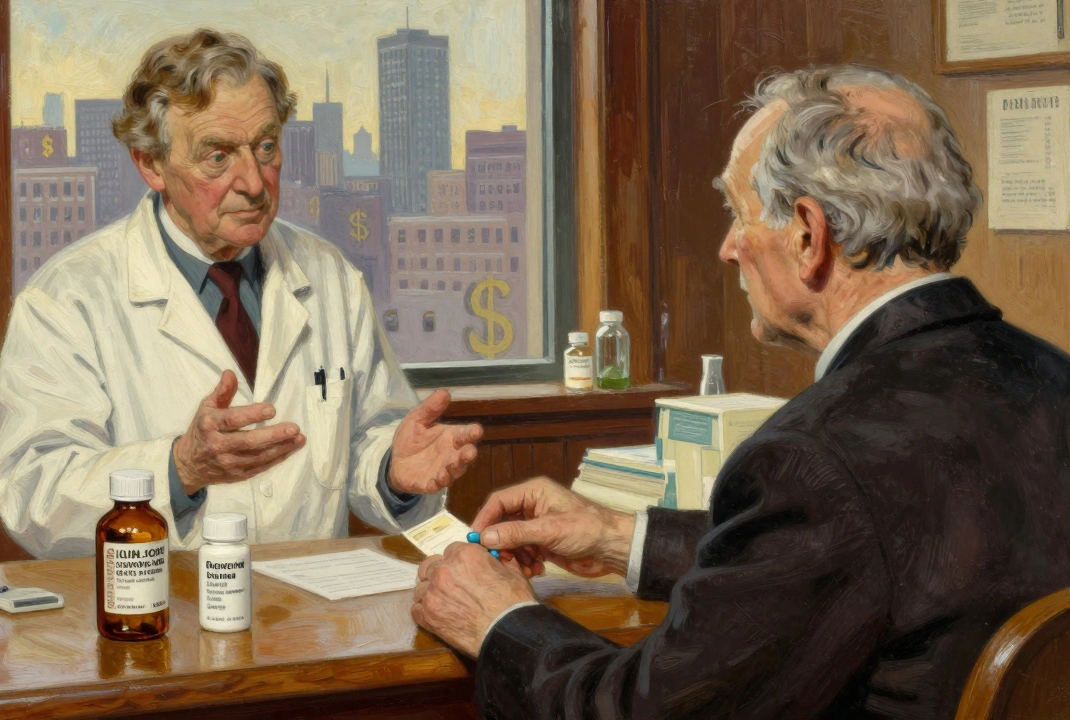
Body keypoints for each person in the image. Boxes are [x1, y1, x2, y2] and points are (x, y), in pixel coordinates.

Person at [411, 65, 1070, 718]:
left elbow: (645, 713)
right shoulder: (1052, 379)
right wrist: (618, 538)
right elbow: (863, 554)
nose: (728, 248)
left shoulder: (813, 458)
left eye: (737, 213)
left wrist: (502, 620)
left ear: (809, 235)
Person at [0, 29, 481, 559]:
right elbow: (30, 490)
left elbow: (367, 442)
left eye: (266, 147)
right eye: (218, 156)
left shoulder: (331, 276)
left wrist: (393, 474)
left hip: (307, 617)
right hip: (160, 614)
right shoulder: (68, 298)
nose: (253, 181)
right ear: (151, 164)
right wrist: (179, 469)